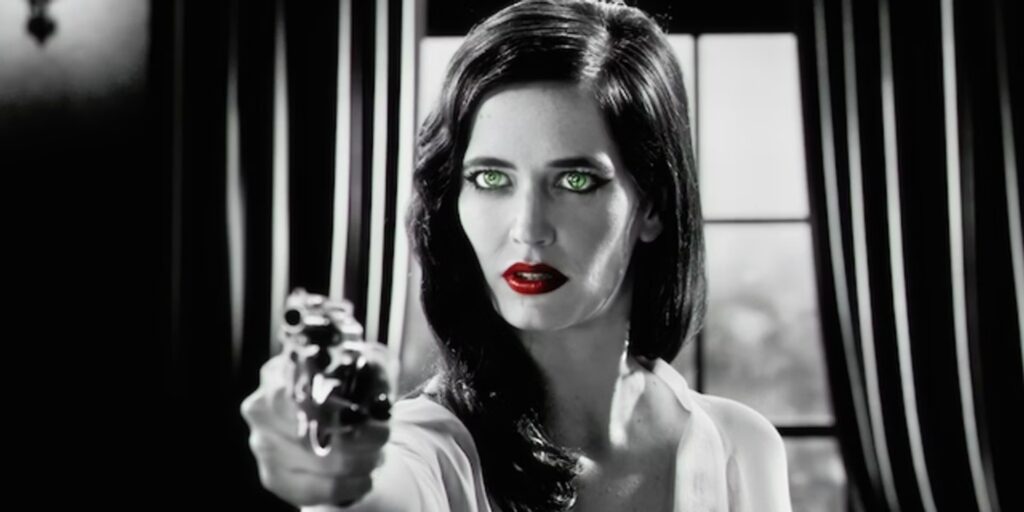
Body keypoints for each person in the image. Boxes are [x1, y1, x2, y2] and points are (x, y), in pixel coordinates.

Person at [241, 0, 792, 510]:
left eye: (575, 181)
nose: (528, 229)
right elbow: (379, 493)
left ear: (652, 205)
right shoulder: (427, 452)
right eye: (490, 178)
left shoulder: (741, 449)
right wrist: (335, 479)